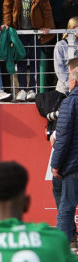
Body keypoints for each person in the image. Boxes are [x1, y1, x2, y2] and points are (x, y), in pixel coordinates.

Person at [52, 57, 78, 251]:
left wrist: (55, 164)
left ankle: (61, 250)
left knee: (66, 209)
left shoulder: (70, 102)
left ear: (73, 81)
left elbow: (63, 138)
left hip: (72, 166)